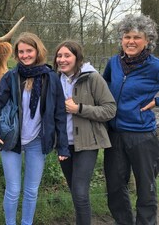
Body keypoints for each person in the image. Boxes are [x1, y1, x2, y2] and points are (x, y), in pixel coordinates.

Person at [0, 32, 70, 225]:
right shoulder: (11, 76)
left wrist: (63, 146)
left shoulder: (51, 77)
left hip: (37, 141)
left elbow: (59, 114)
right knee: (13, 189)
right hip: (12, 140)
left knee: (31, 190)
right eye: (21, 51)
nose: (25, 55)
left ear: (37, 50)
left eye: (29, 51)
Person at [103, 14, 159, 225]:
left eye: (137, 37)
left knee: (146, 188)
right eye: (127, 36)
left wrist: (157, 100)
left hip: (142, 136)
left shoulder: (154, 66)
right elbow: (104, 84)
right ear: (121, 39)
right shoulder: (114, 63)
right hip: (114, 135)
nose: (131, 41)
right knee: (115, 188)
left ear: (147, 41)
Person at [53, 41, 116, 225]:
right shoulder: (55, 79)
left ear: (77, 58)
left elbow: (110, 110)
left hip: (87, 143)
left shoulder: (92, 78)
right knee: (75, 190)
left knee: (80, 192)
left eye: (67, 56)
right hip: (64, 145)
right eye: (59, 56)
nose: (62, 60)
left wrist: (78, 108)